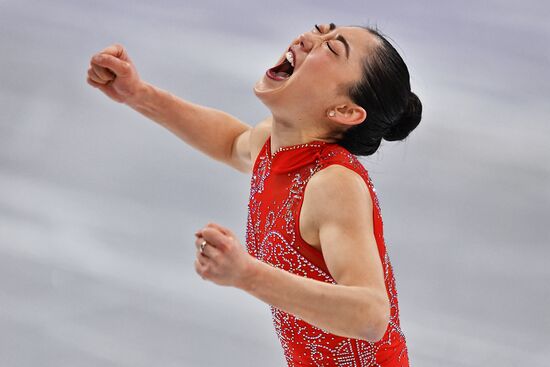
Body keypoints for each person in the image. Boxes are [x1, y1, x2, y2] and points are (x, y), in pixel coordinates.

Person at [87, 22, 422, 367]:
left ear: (345, 111)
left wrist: (247, 274)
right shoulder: (274, 146)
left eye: (332, 48)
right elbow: (232, 143)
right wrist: (137, 94)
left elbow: (371, 314)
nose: (308, 38)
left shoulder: (333, 184)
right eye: (321, 30)